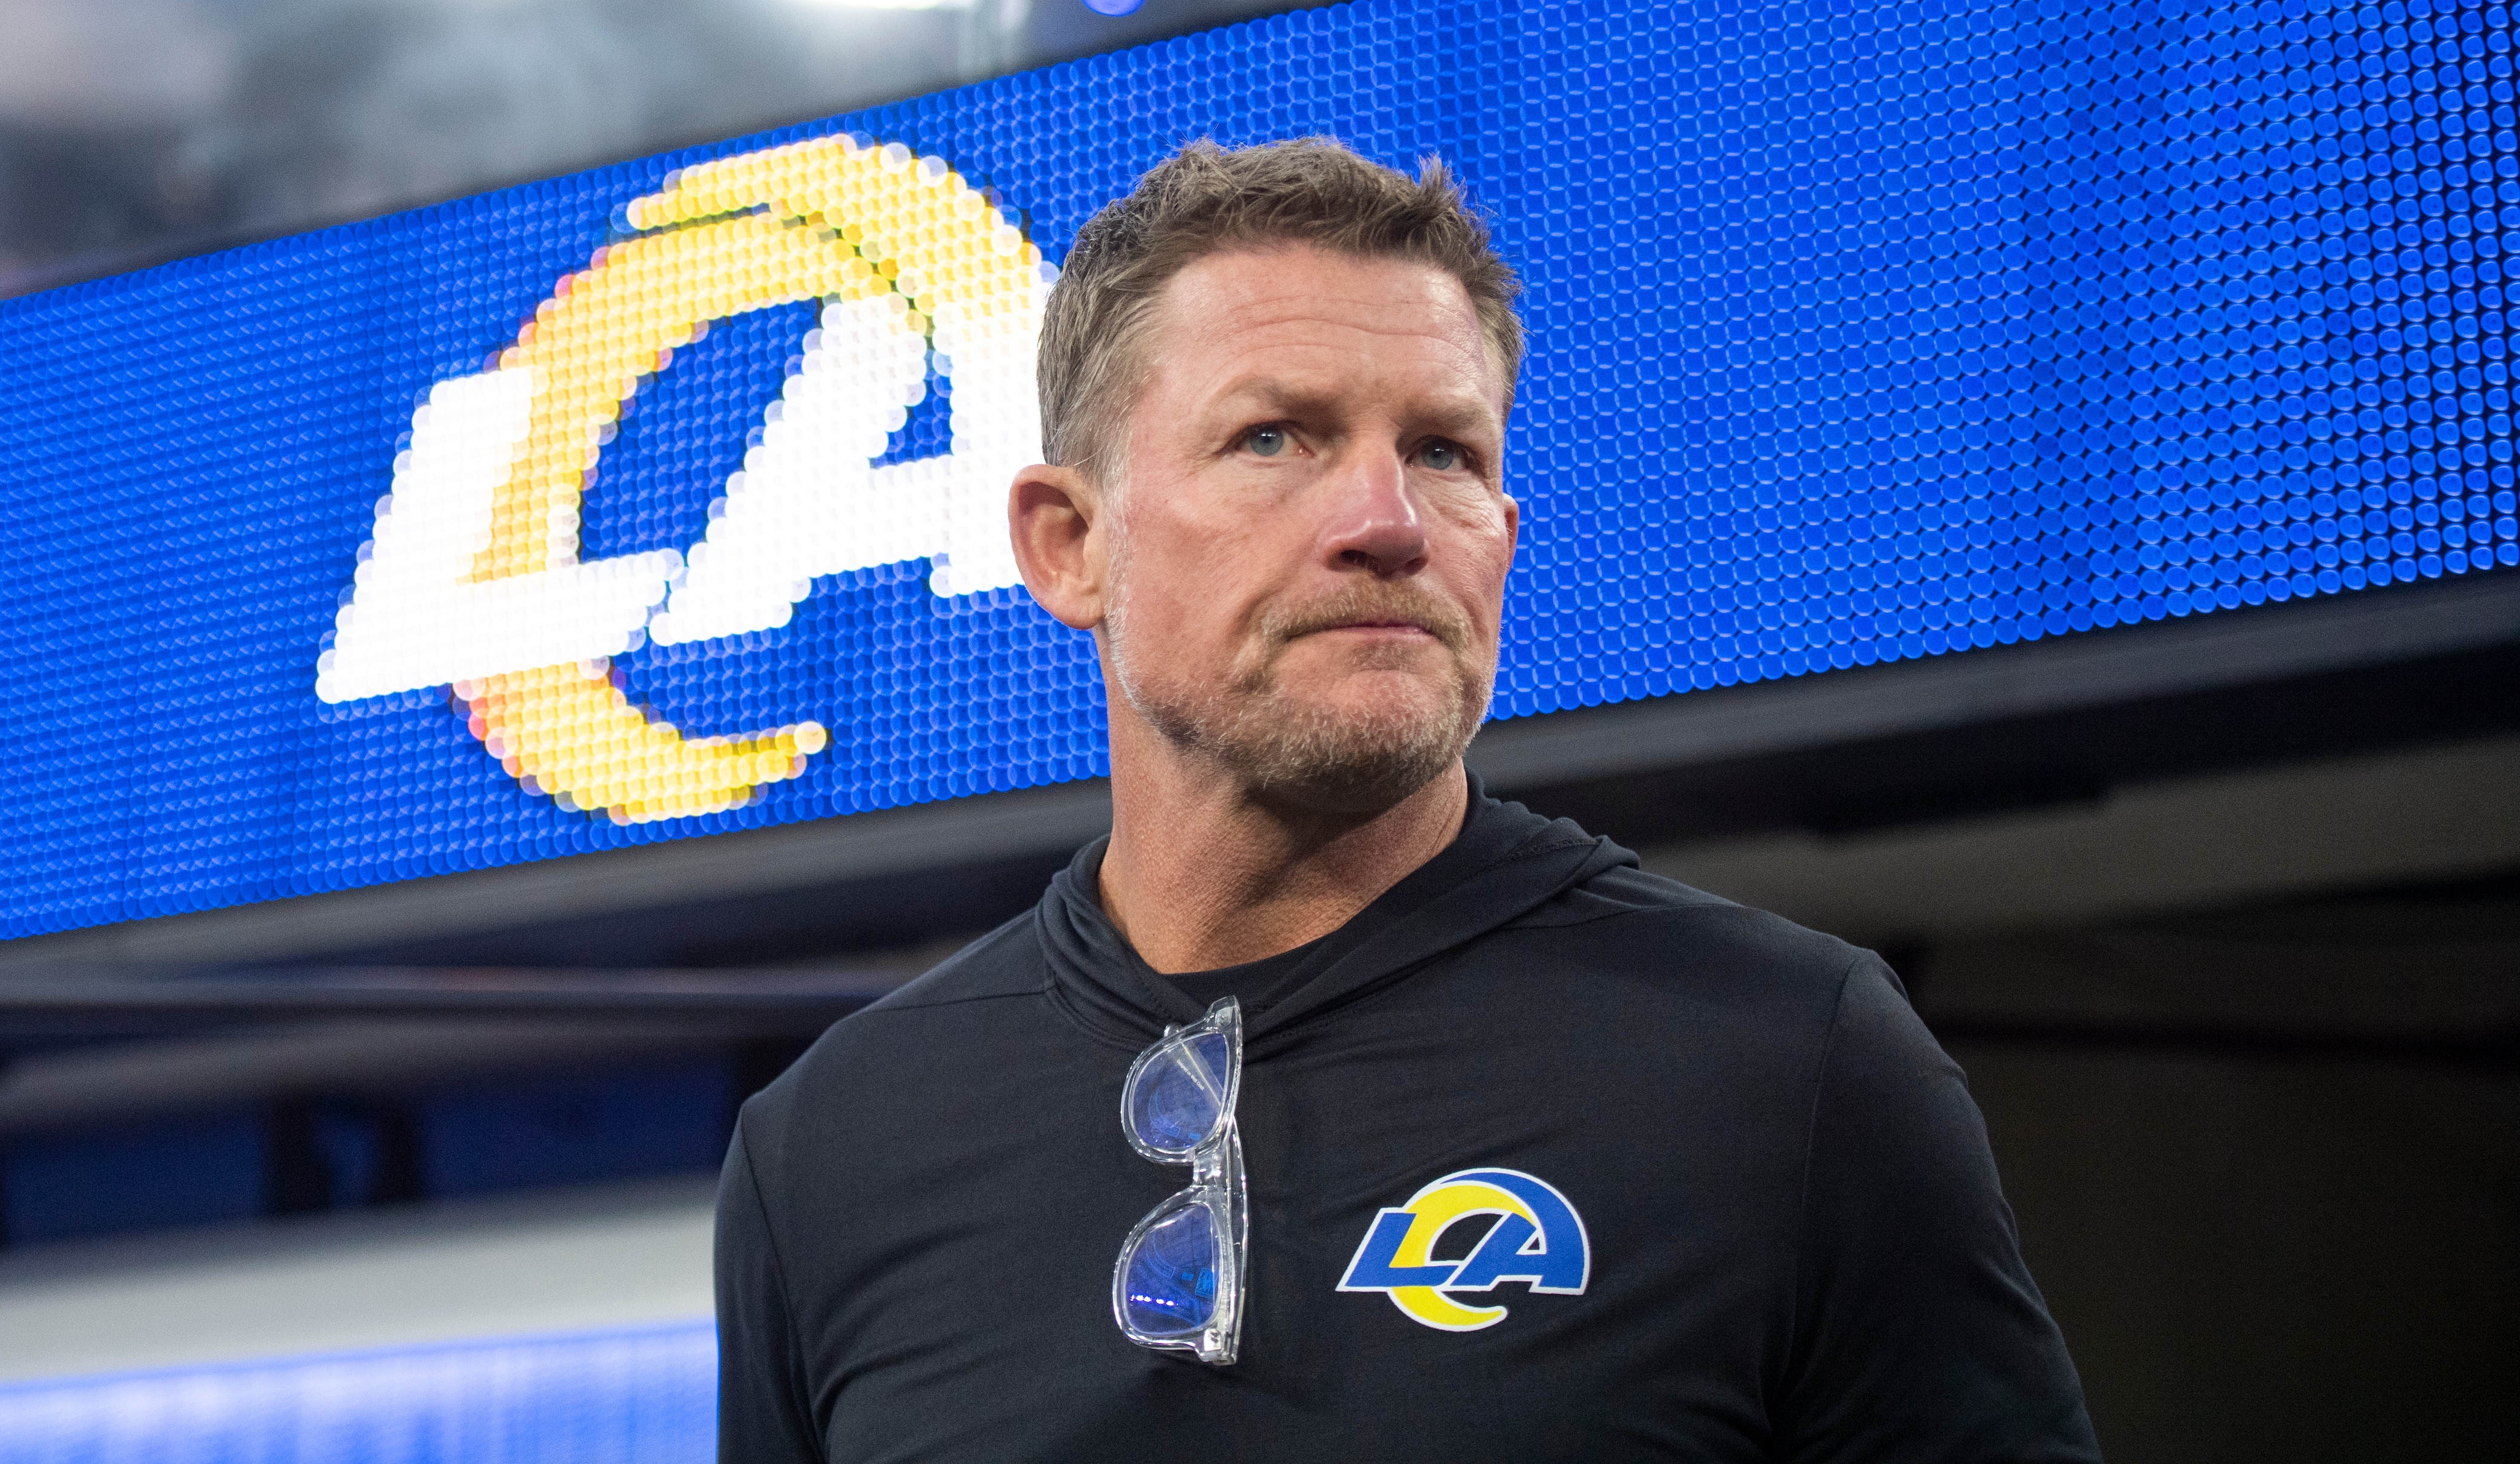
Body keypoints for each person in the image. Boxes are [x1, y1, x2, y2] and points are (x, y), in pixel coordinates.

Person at [716, 138, 2100, 1462]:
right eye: (1274, 438)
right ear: (1069, 543)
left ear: (1503, 534)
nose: (1385, 519)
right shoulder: (828, 1143)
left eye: (1445, 450)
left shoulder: (1791, 1059)